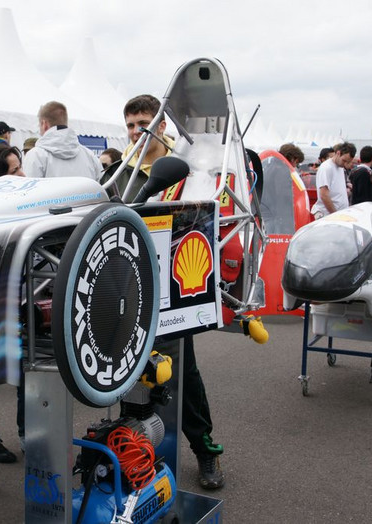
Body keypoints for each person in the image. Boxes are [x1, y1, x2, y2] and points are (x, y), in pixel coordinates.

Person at [111, 93, 225, 490]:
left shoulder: (190, 167)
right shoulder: (121, 171)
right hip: (130, 291)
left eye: (143, 123)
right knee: (131, 376)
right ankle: (135, 450)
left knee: (184, 376)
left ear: (160, 125)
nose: (136, 131)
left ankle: (205, 450)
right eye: (129, 125)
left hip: (177, 292)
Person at [22, 101, 102, 179]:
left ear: (44, 124)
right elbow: (101, 186)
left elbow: (28, 190)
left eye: (39, 125)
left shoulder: (36, 155)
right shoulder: (90, 155)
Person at [310, 142, 356, 219]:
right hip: (328, 216)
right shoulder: (326, 168)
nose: (344, 164)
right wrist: (335, 215)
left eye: (347, 162)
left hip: (337, 215)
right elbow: (324, 195)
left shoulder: (340, 167)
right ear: (338, 153)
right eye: (344, 160)